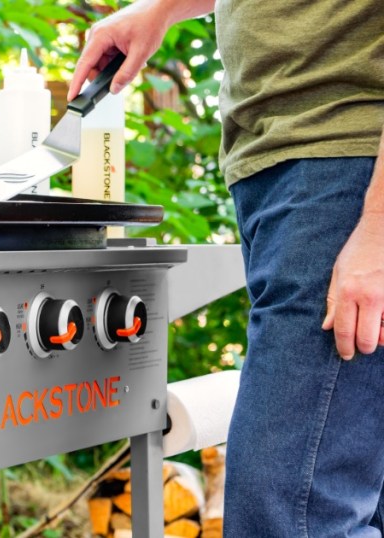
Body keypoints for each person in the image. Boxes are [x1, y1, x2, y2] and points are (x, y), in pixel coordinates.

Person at [69, 0, 384, 535]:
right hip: (289, 170)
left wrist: (376, 230)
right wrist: (162, 9)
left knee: (287, 514)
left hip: (345, 168)